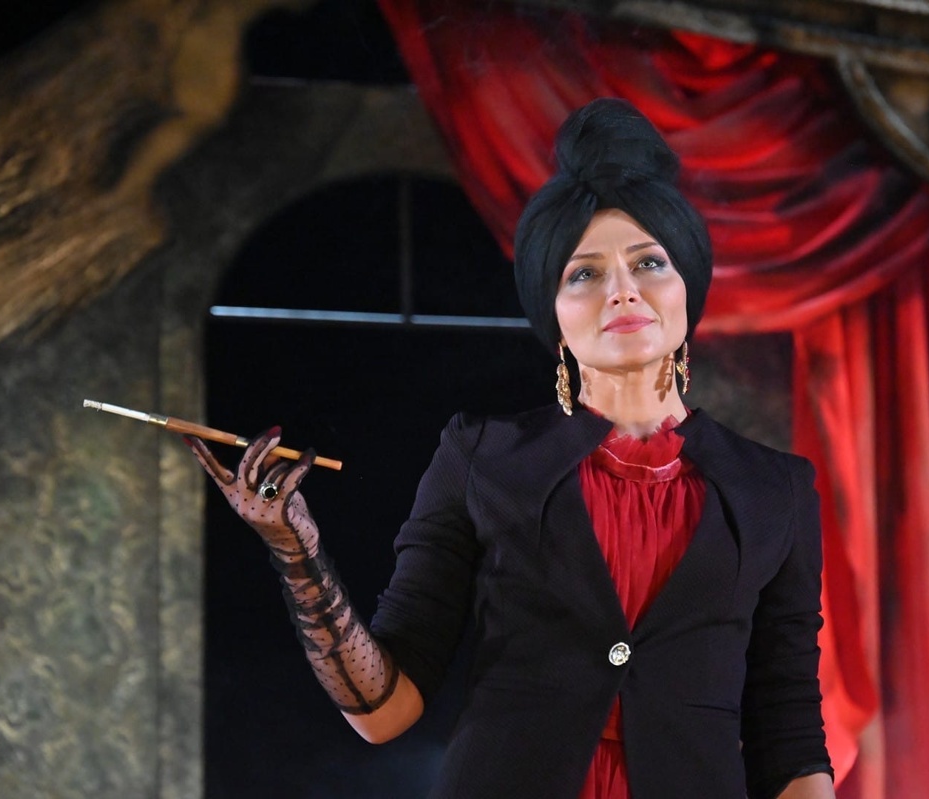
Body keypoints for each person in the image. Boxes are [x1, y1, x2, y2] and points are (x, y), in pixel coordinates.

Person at [187, 98, 834, 799]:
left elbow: (790, 736)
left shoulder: (775, 489)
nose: (622, 291)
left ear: (688, 289)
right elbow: (385, 710)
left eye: (649, 262)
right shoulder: (481, 458)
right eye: (584, 273)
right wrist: (297, 550)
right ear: (553, 315)